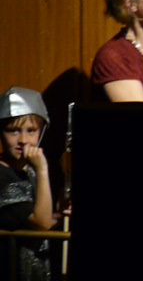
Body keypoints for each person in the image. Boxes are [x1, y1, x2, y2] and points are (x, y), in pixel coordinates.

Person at [0, 87, 56, 281]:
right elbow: (41, 223)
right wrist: (42, 171)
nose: (23, 140)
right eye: (13, 131)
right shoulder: (2, 174)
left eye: (31, 131)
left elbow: (41, 216)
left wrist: (59, 217)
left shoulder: (30, 170)